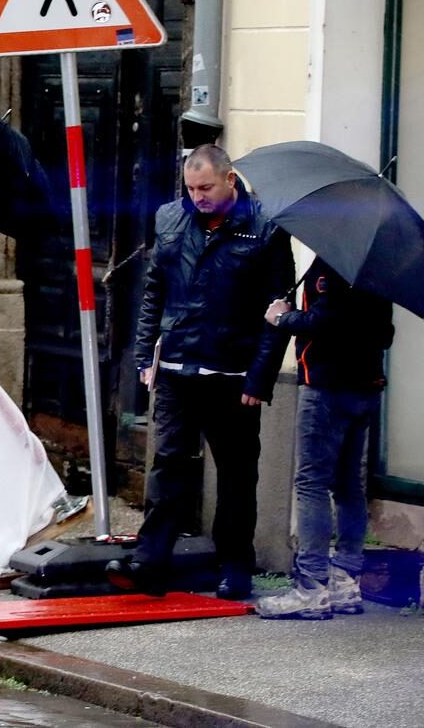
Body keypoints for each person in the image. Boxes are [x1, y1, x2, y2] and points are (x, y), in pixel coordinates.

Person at [107, 144, 294, 599]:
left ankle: (235, 566)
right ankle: (149, 563)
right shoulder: (171, 218)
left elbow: (279, 311)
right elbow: (154, 289)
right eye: (191, 189)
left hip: (232, 372)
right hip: (174, 366)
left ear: (230, 179)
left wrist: (260, 377)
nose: (198, 197)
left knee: (235, 472)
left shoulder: (265, 227)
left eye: (206, 187)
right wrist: (143, 357)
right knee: (168, 464)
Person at [255, 257, 394, 620]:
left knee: (311, 483)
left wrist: (281, 318)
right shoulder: (379, 268)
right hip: (366, 387)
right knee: (349, 485)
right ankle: (345, 582)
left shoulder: (333, 265)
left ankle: (312, 587)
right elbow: (385, 334)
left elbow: (324, 321)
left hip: (328, 387)